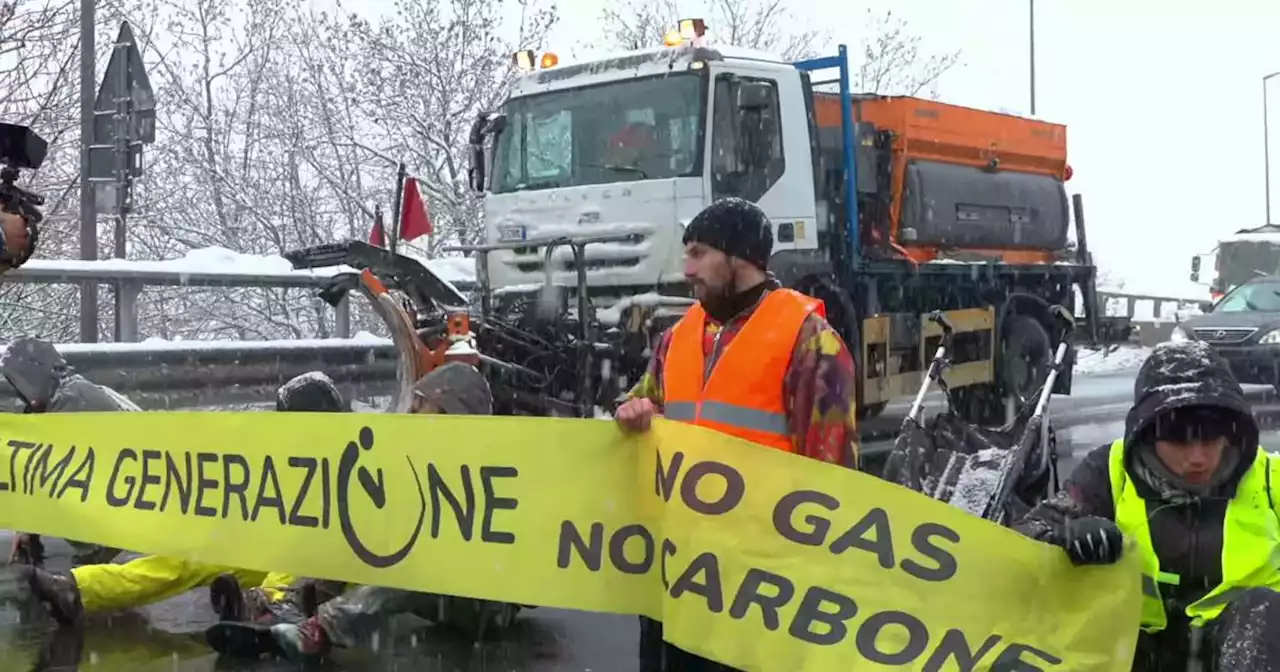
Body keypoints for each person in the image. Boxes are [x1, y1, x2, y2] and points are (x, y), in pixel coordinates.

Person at [613, 197, 859, 672]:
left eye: (699, 252)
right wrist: (633, 411)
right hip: (677, 576)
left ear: (740, 257)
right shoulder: (677, 337)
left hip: (755, 590)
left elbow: (832, 479)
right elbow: (640, 401)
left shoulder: (810, 341)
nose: (687, 269)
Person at [207, 361, 521, 662]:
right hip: (438, 591)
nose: (410, 412)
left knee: (413, 566)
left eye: (421, 405)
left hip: (483, 605)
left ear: (451, 413)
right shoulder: (418, 460)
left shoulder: (489, 473)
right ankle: (290, 605)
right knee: (357, 532)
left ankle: (321, 630)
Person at [1013, 340, 1280, 671]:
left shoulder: (1271, 477)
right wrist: (1064, 537)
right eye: (1179, 440)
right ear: (1148, 433)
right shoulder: (1109, 470)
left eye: (1210, 440)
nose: (1198, 458)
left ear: (1232, 434)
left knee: (1264, 609)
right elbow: (1026, 535)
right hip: (1134, 651)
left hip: (1247, 654)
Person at [14, 371, 350, 628]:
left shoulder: (359, 458)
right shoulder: (288, 457)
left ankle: (268, 610)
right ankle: (78, 590)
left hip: (326, 562)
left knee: (299, 554)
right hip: (270, 550)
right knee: (185, 559)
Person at [3, 336, 143, 568]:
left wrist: (27, 526)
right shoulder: (65, 392)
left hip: (129, 486)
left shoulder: (73, 400)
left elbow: (45, 470)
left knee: (60, 486)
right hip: (119, 479)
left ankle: (97, 549)